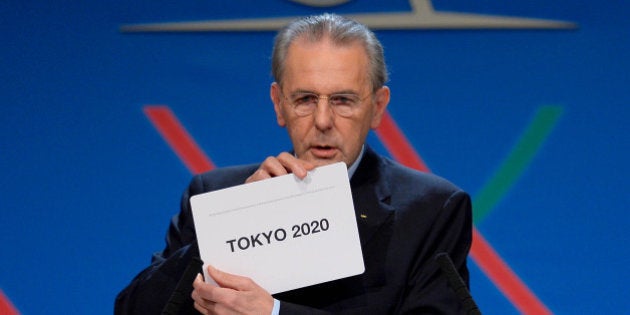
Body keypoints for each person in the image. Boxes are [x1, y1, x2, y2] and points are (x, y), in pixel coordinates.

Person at [115, 13, 472, 314]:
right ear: (278, 104)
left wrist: (273, 313)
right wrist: (231, 224)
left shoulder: (431, 209)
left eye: (343, 100)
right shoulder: (214, 195)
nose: (322, 120)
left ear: (377, 107)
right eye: (304, 99)